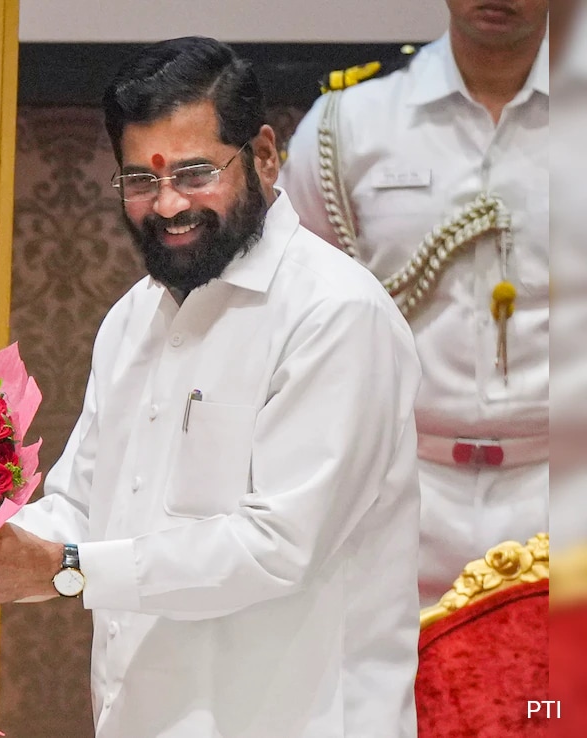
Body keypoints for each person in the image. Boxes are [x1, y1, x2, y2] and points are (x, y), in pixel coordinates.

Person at [0, 36, 422, 738]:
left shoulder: (334, 314)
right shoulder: (135, 316)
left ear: (265, 156)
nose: (168, 204)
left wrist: (62, 570)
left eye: (195, 172)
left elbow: (276, 548)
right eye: (141, 182)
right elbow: (84, 508)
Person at [279, 0, 549, 604]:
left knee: (555, 702)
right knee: (393, 697)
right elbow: (289, 308)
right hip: (397, 490)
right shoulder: (348, 123)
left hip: (562, 488)